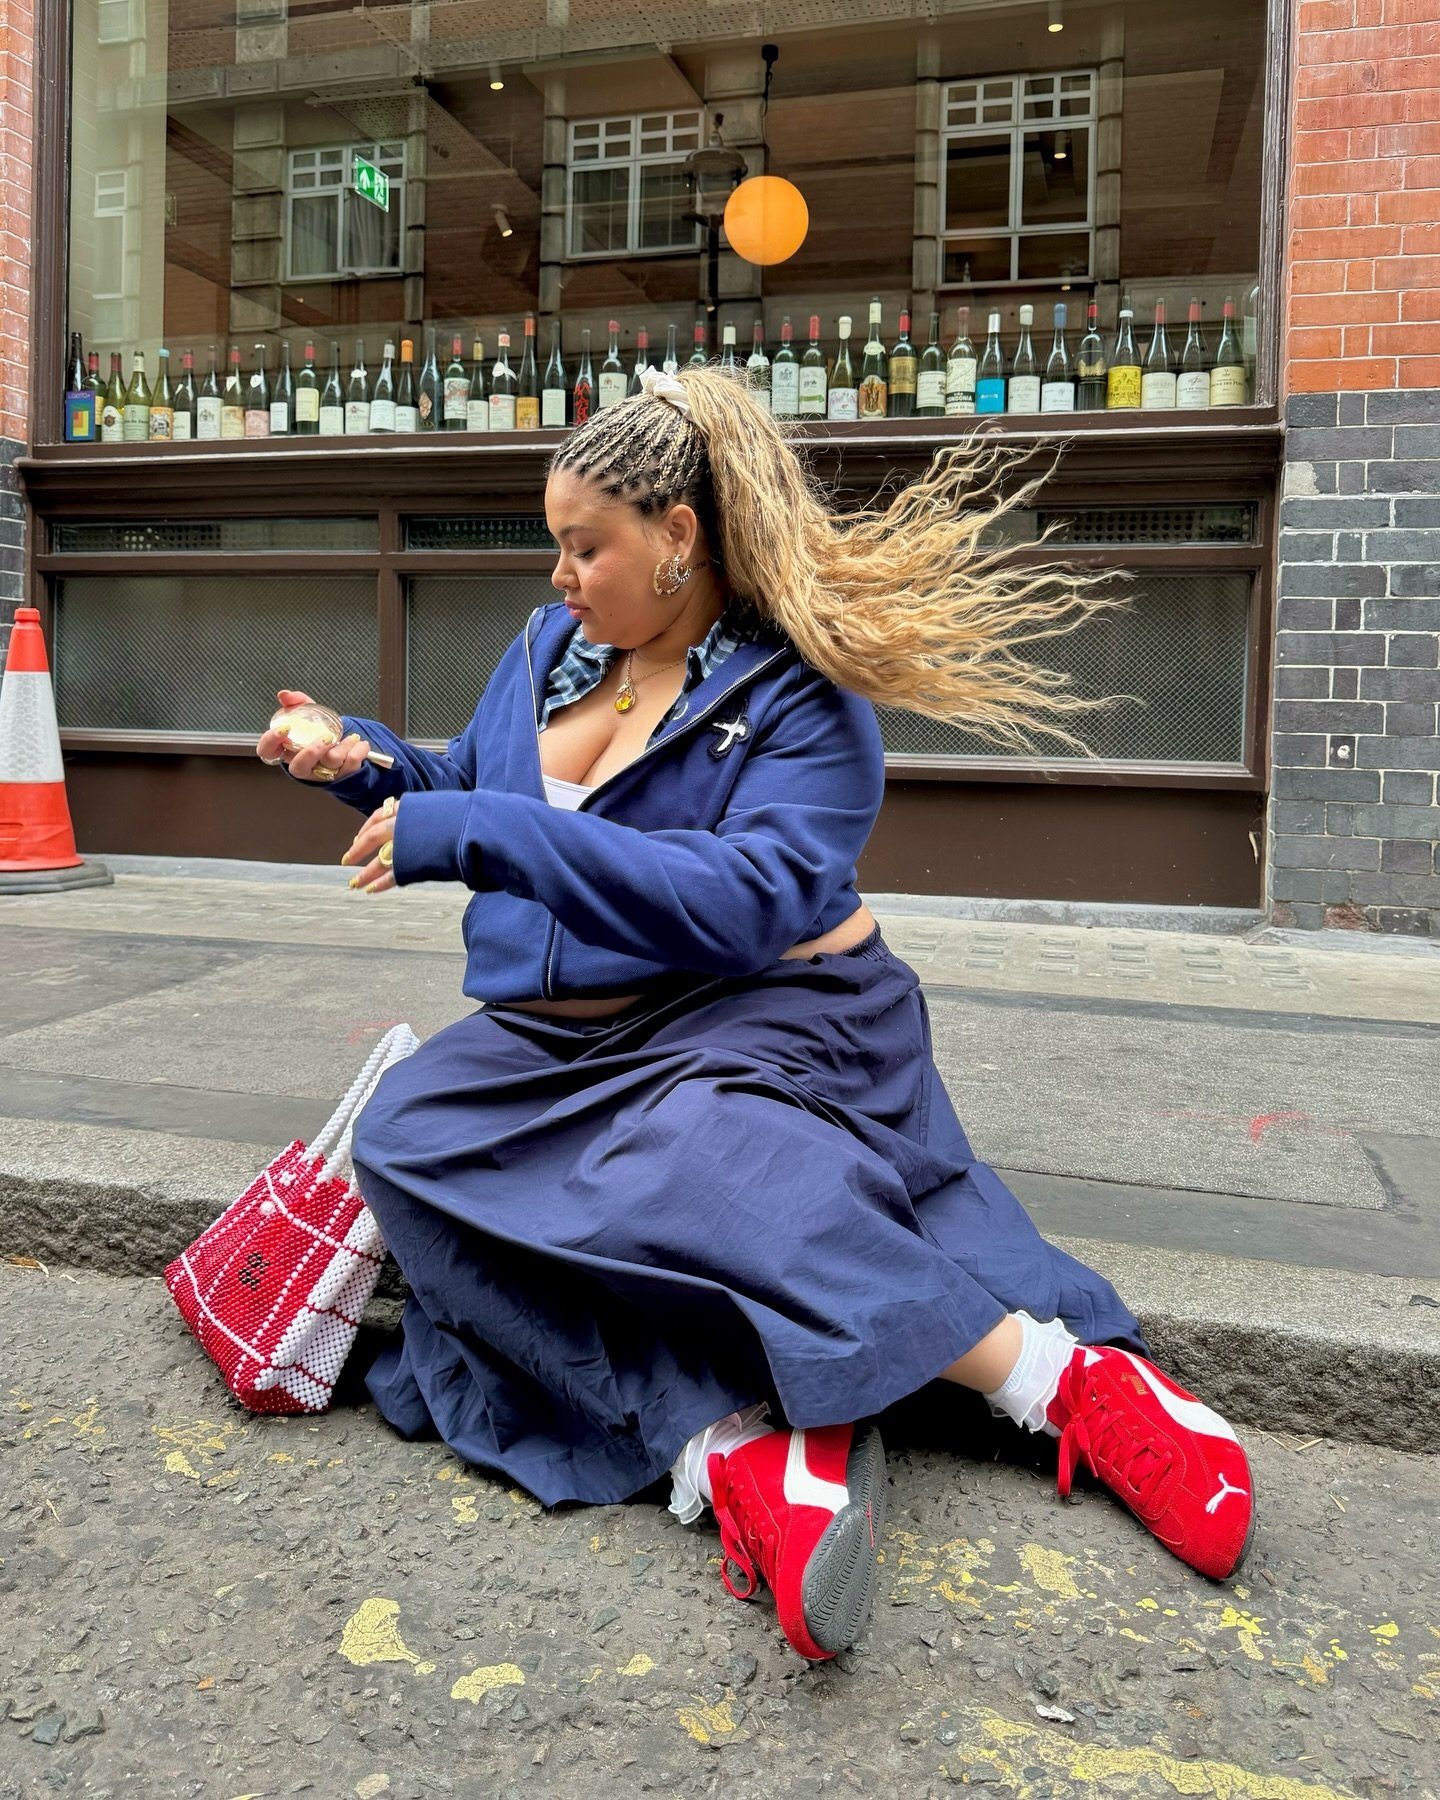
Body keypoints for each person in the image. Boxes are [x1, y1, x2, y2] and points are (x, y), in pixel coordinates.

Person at [255, 365, 1255, 1666]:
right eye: (555, 545)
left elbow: (735, 905)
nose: (559, 575)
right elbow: (468, 782)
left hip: (770, 1011)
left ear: (678, 539)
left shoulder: (805, 705)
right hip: (567, 1038)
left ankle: (1068, 1387)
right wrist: (363, 760)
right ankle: (737, 1451)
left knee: (703, 1153)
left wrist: (479, 832)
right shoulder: (553, 651)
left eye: (585, 547)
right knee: (407, 1137)